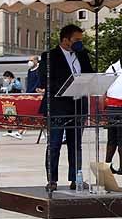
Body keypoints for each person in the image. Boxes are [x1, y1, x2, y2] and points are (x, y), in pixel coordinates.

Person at [38, 24, 94, 191]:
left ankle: (75, 178)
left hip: (78, 105)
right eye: (76, 40)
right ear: (65, 40)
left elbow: (89, 74)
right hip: (58, 106)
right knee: (54, 144)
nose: (79, 43)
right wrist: (69, 86)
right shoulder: (50, 56)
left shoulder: (82, 55)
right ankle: (52, 180)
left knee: (75, 144)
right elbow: (45, 80)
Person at [104, 57, 122, 175]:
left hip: (111, 106)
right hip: (117, 106)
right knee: (119, 138)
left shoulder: (112, 68)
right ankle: (120, 167)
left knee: (112, 138)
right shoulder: (112, 68)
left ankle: (107, 165)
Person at [0, 71, 24, 139]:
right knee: (8, 115)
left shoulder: (16, 82)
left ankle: (20, 131)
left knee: (17, 116)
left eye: (5, 78)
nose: (5, 79)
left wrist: (13, 85)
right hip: (10, 101)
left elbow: (20, 87)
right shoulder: (10, 83)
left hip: (16, 101)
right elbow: (8, 89)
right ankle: (9, 131)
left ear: (9, 77)